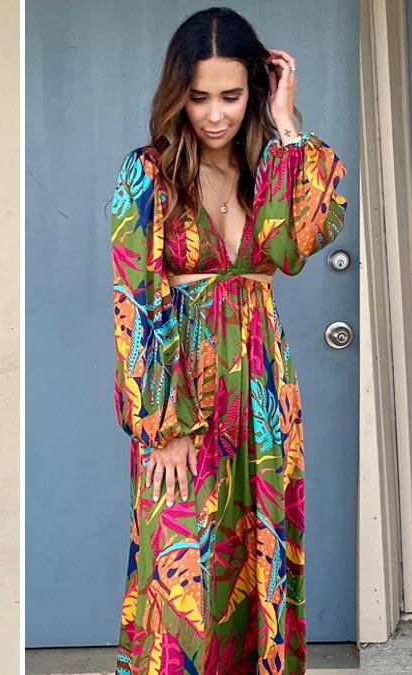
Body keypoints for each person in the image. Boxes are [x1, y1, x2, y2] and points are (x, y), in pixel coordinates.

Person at [110, 7, 346, 674]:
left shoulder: (268, 167)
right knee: (184, 586)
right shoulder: (148, 174)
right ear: (177, 94)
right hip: (182, 396)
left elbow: (293, 247)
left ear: (255, 91)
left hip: (263, 393)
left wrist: (288, 125)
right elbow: (135, 300)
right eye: (199, 97)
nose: (215, 115)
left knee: (259, 565)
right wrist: (165, 427)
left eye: (232, 96)